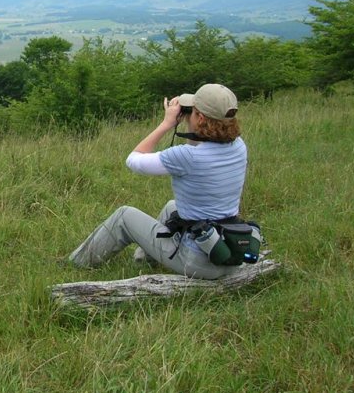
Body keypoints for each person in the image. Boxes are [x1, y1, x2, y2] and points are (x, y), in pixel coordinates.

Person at [69, 83, 248, 280]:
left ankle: (76, 263)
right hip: (227, 254)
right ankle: (144, 260)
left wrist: (167, 124)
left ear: (201, 118)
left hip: (197, 261)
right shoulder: (238, 147)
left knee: (124, 215)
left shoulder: (186, 156)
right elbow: (206, 146)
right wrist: (194, 124)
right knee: (172, 208)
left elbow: (134, 160)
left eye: (193, 112)